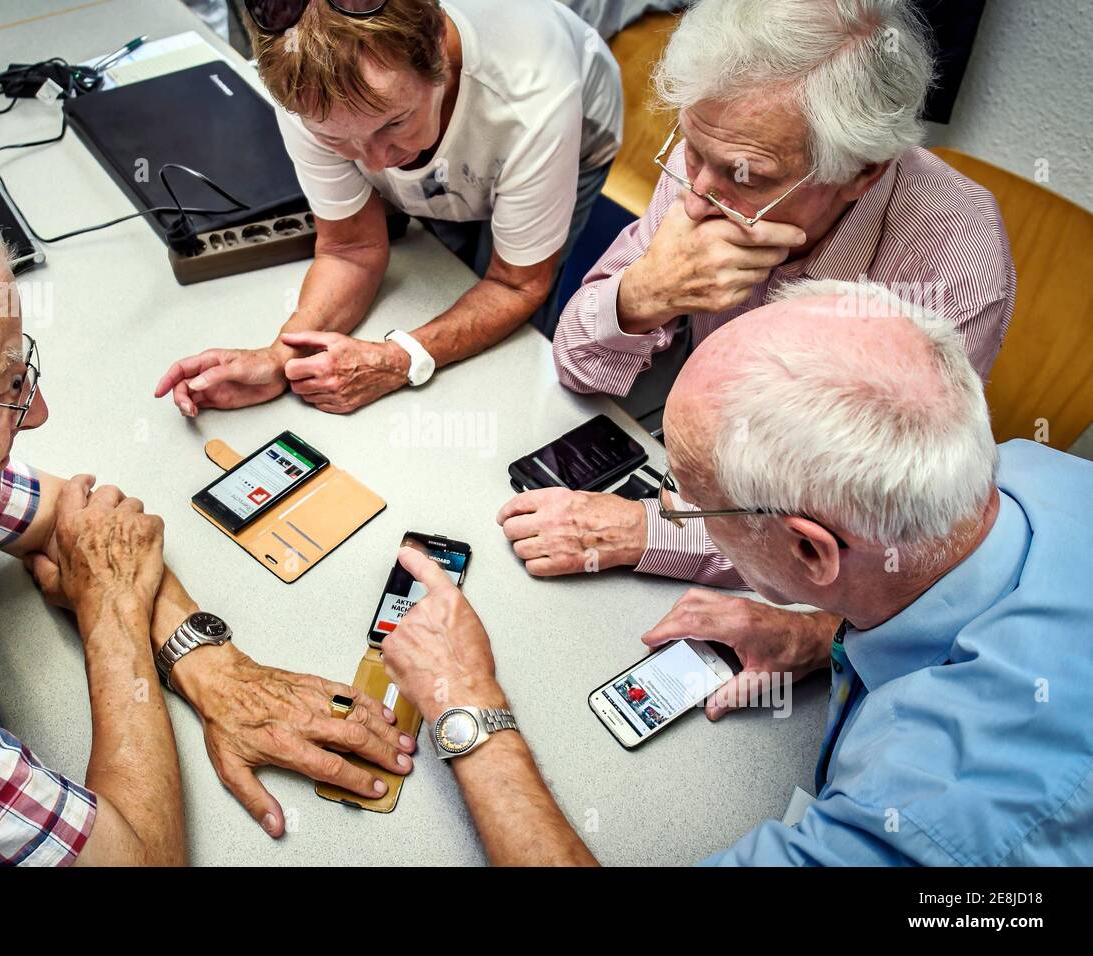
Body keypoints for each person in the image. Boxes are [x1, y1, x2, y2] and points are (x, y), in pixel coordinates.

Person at [0, 175, 414, 865]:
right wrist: (111, 607)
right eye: (0, 391)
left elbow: (83, 522)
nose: (36, 414)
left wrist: (215, 669)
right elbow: (138, 860)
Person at [382, 279, 1093, 865]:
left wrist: (467, 705)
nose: (669, 507)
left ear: (811, 551)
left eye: (688, 498)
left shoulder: (934, 827)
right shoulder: (1036, 470)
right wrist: (823, 634)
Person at [498, 0, 1017, 667]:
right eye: (692, 151)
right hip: (688, 468)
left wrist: (648, 532)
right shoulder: (716, 165)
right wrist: (643, 296)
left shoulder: (953, 261)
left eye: (750, 177)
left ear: (863, 172)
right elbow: (577, 365)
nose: (693, 199)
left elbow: (865, 539)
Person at [154, 0, 622, 416]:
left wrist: (401, 359)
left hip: (572, 132)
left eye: (394, 122)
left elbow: (516, 285)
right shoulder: (301, 83)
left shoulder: (535, 93)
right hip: (462, 123)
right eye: (337, 140)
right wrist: (281, 358)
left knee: (512, 338)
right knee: (444, 262)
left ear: (439, 49)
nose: (377, 164)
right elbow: (350, 248)